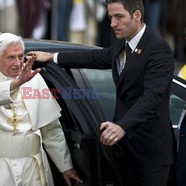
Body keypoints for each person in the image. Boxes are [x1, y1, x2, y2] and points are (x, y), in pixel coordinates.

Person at [28, 0, 176, 185]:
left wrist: (121, 126)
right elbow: (95, 57)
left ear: (137, 15)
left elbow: (152, 97)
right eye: (110, 17)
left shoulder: (158, 49)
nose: (112, 23)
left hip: (151, 154)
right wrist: (52, 57)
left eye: (119, 17)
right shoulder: (122, 43)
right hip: (125, 150)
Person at [0, 33, 83, 186]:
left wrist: (65, 166)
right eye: (11, 57)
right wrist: (16, 83)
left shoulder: (33, 77)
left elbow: (51, 129)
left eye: (20, 56)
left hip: (32, 165)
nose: (17, 63)